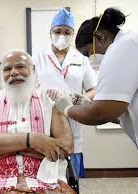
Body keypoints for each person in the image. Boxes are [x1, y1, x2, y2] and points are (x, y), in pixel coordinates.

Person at [54, 7, 138, 194]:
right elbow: (121, 112)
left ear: (100, 37)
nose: (90, 59)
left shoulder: (125, 47)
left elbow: (101, 113)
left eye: (88, 53)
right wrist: (85, 104)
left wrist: (66, 108)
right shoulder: (135, 44)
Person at [0, 50, 76, 194]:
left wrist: (1, 149)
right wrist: (33, 141)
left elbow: (65, 147)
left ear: (33, 70)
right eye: (7, 69)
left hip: (44, 175)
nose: (13, 72)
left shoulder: (49, 100)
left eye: (20, 66)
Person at [33, 8, 97, 178]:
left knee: (71, 177)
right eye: (58, 31)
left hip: (73, 119)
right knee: (45, 176)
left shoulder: (81, 59)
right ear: (50, 33)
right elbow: (30, 91)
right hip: (45, 121)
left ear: (73, 34)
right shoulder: (37, 58)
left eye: (67, 32)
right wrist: (44, 95)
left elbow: (93, 89)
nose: (62, 35)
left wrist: (80, 98)